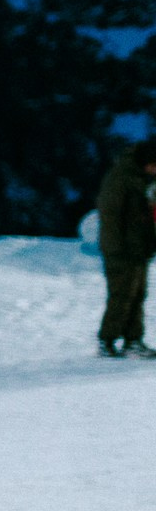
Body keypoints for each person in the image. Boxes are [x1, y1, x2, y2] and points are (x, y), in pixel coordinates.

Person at [95, 139, 156, 357]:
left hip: (138, 249)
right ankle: (108, 340)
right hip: (121, 251)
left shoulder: (141, 179)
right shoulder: (121, 178)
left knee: (138, 294)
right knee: (121, 295)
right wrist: (117, 248)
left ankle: (133, 339)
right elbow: (110, 215)